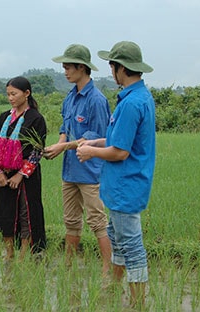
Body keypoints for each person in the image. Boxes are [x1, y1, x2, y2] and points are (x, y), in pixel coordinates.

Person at [76, 41, 155, 309]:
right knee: (118, 242)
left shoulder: (132, 103)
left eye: (112, 66)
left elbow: (120, 151)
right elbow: (116, 139)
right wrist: (95, 143)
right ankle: (113, 288)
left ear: (120, 68)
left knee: (132, 247)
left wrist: (90, 153)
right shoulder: (137, 97)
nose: (111, 71)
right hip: (122, 186)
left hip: (126, 187)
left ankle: (137, 304)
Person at [44, 44, 112, 274]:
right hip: (70, 170)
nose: (65, 72)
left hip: (90, 172)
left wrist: (63, 146)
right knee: (71, 220)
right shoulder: (70, 97)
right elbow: (65, 127)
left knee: (97, 221)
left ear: (82, 68)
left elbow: (96, 138)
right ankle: (68, 265)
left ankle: (106, 268)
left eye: (68, 67)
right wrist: (59, 145)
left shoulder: (97, 100)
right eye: (64, 67)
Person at [0, 76, 47, 261]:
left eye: (14, 94)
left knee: (26, 214)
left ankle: (23, 254)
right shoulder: (4, 118)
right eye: (8, 94)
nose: (10, 98)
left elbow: (37, 151)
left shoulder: (36, 119)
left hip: (26, 177)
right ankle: (9, 253)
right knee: (5, 212)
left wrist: (20, 175)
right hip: (4, 175)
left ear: (27, 94)